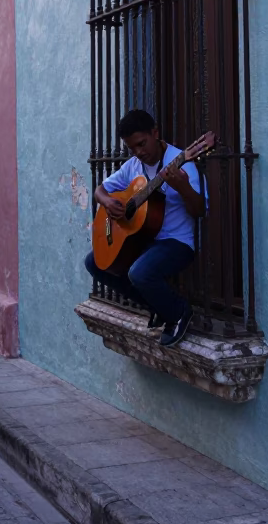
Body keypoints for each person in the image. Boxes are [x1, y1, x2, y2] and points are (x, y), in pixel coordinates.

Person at [84, 109, 206, 348]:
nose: (139, 152)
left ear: (155, 133)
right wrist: (108, 202)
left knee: (138, 272)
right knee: (94, 263)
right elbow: (101, 190)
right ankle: (159, 306)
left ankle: (178, 312)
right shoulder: (133, 166)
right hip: (145, 241)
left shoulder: (182, 162)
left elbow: (199, 210)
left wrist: (182, 186)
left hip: (176, 242)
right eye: (133, 148)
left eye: (142, 143)